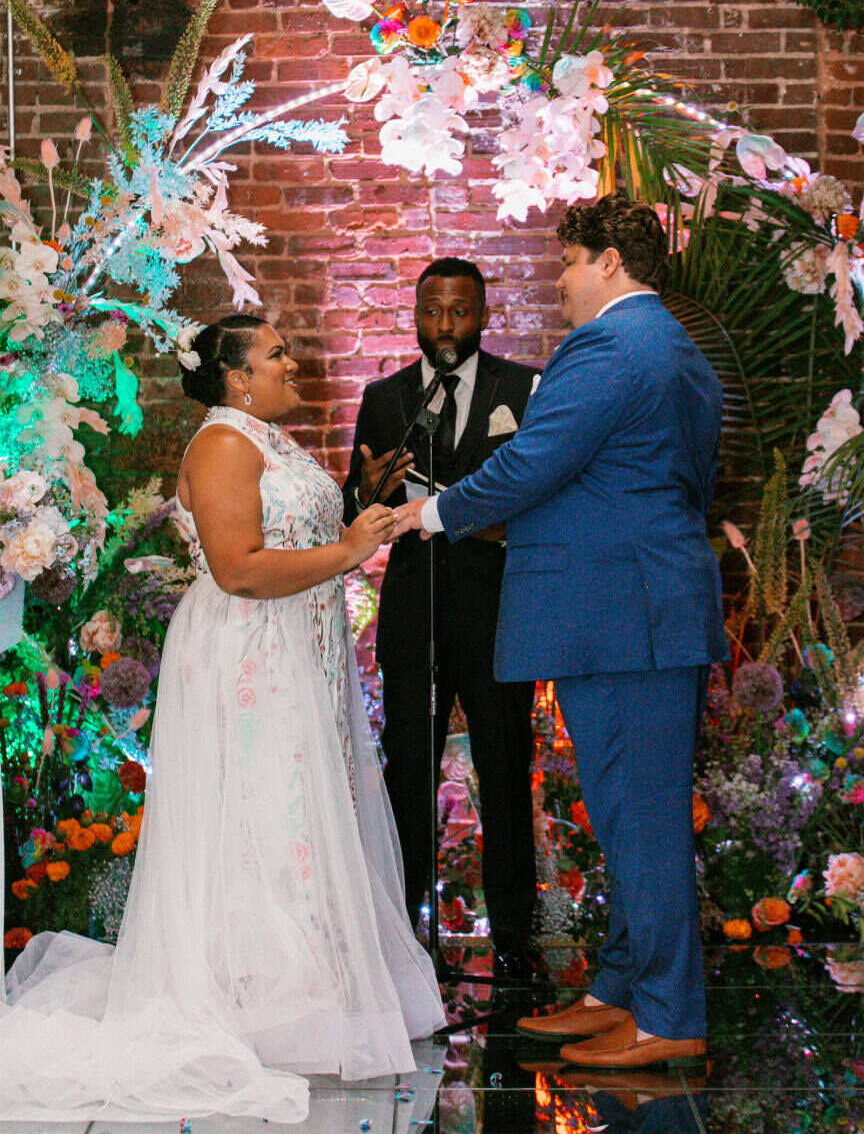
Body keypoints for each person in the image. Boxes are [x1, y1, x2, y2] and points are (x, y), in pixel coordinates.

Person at [0, 314, 444, 1123]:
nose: (291, 361)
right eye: (275, 353)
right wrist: (349, 552)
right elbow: (238, 567)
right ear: (237, 376)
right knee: (263, 809)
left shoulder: (266, 437)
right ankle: (261, 994)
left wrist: (359, 503)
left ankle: (311, 979)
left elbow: (289, 529)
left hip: (296, 648)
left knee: (302, 809)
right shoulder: (221, 445)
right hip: (251, 653)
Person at [394, 194, 728, 1069]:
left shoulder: (613, 345)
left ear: (611, 263)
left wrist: (434, 512)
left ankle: (667, 1014)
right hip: (638, 610)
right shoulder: (674, 348)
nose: (561, 282)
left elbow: (535, 461)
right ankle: (622, 989)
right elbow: (675, 482)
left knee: (641, 818)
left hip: (623, 619)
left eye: (570, 264)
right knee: (628, 814)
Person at [342, 258, 542, 980]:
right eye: (433, 313)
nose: (446, 327)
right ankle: (403, 932)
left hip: (497, 613)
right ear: (416, 314)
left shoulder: (521, 390)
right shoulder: (386, 396)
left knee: (504, 770)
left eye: (459, 312)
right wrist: (363, 490)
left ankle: (516, 937)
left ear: (482, 313)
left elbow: (539, 497)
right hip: (413, 613)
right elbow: (355, 512)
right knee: (409, 773)